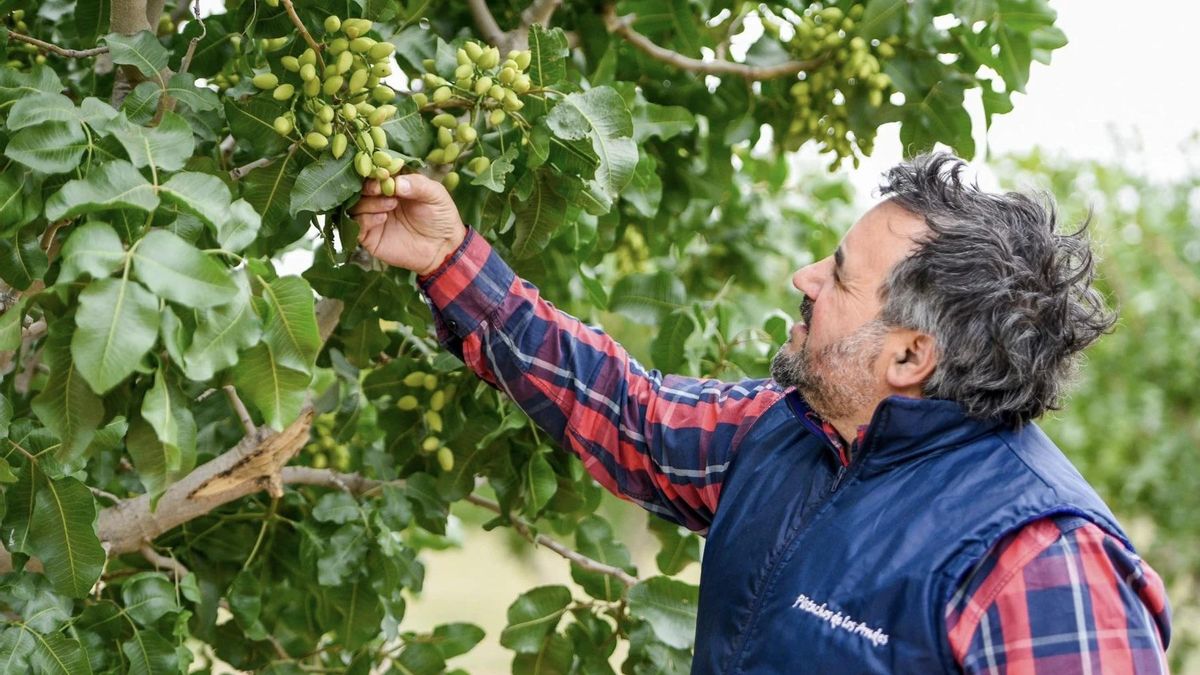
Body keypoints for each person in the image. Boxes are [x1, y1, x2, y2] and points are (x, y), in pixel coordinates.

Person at [350, 153, 1172, 674]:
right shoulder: (789, 434)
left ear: (910, 356)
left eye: (839, 276)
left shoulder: (1039, 560)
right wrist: (450, 259)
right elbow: (628, 410)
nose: (805, 278)